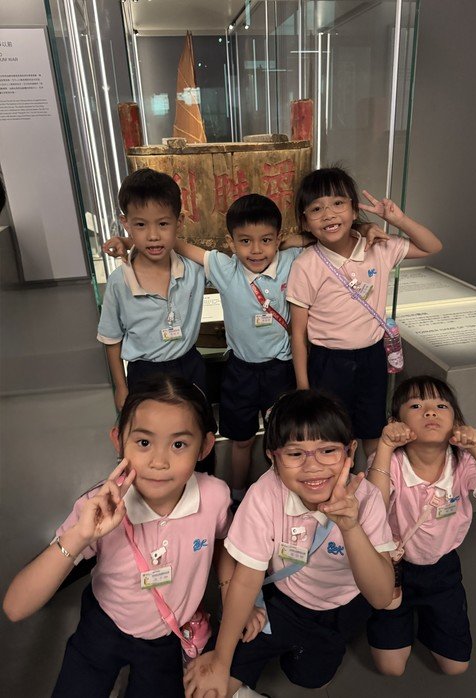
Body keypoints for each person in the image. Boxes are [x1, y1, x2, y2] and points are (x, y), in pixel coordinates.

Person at [104, 193, 387, 506]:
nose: (256, 250)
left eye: (266, 240)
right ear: (231, 242)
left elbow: (323, 234)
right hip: (240, 371)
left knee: (284, 439)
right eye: (245, 241)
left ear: (277, 239)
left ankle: (284, 497)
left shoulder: (290, 261)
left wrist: (363, 228)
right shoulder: (225, 268)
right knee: (241, 440)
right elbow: (177, 245)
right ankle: (236, 498)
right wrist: (129, 241)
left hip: (281, 369)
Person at [3, 375, 234, 697]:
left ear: (205, 447)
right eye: (144, 443)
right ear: (118, 440)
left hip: (166, 635)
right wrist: (80, 536)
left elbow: (221, 538)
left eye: (178, 444)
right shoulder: (97, 506)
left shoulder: (215, 497)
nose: (159, 462)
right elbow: (15, 607)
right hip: (104, 625)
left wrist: (228, 590)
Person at [183, 389, 396, 698]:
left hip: (341, 607)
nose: (313, 467)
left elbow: (380, 596)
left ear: (350, 451)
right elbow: (247, 578)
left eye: (328, 451)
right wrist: (221, 660)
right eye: (296, 454)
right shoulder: (265, 493)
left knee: (310, 679)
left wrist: (350, 527)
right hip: (282, 601)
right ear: (273, 457)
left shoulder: (367, 499)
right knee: (209, 684)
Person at [366, 375, 476, 676]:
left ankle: (428, 619)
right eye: (416, 405)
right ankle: (399, 618)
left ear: (456, 422)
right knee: (391, 669)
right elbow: (371, 512)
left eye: (441, 405)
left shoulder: (463, 462)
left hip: (442, 569)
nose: (430, 412)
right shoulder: (390, 461)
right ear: (397, 422)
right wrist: (384, 446)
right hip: (392, 565)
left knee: (456, 667)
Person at [286, 166, 443, 457]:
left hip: (372, 357)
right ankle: (340, 482)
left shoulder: (378, 247)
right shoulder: (305, 265)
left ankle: (373, 481)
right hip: (327, 362)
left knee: (373, 429)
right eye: (317, 209)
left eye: (338, 203)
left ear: (354, 210)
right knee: (331, 435)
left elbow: (432, 246)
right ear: (305, 222)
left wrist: (397, 220)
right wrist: (303, 388)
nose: (329, 214)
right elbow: (297, 333)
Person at [97, 168, 206, 412]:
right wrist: (121, 387)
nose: (153, 235)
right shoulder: (119, 282)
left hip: (189, 365)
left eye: (163, 224)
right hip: (144, 371)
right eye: (141, 225)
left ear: (179, 223)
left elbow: (232, 270)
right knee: (151, 429)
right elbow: (112, 339)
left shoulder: (194, 270)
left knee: (196, 424)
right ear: (125, 223)